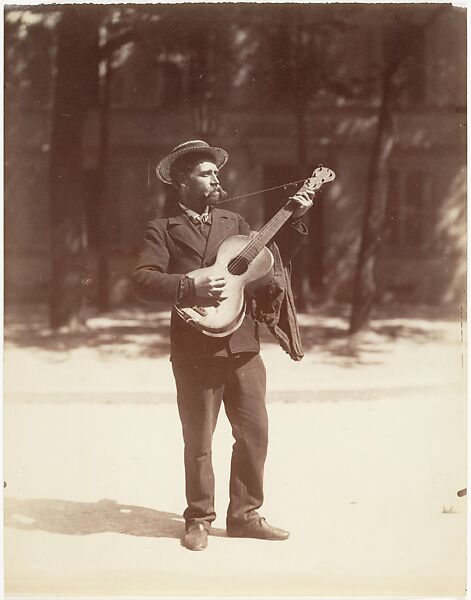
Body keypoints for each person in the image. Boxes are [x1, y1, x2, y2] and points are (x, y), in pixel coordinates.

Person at [133, 140, 313, 551]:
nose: (216, 178)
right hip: (194, 347)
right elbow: (142, 280)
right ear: (182, 180)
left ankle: (245, 515)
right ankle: (198, 519)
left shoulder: (236, 223)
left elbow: (269, 267)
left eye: (216, 172)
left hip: (243, 343)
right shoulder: (162, 228)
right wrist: (188, 285)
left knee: (255, 432)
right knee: (198, 439)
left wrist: (295, 221)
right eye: (205, 172)